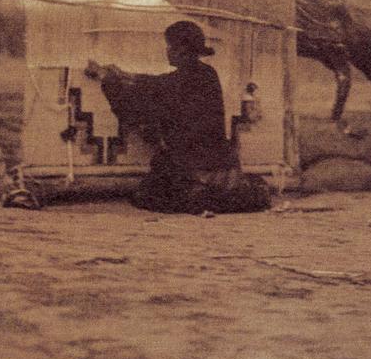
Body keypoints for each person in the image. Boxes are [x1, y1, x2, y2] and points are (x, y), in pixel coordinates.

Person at [85, 20, 271, 214]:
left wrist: (108, 79)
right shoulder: (208, 74)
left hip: (192, 167)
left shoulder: (178, 82)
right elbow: (157, 83)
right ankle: (219, 194)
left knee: (148, 195)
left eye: (170, 46)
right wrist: (124, 75)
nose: (167, 51)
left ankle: (200, 193)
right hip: (223, 167)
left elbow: (147, 93)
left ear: (181, 50)